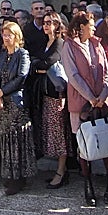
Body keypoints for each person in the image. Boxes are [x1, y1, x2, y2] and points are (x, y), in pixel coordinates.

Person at [61, 10, 108, 207]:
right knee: (84, 145)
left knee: (106, 140)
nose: (94, 27)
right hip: (81, 103)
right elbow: (72, 75)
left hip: (101, 101)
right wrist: (90, 98)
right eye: (91, 24)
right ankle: (88, 183)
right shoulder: (69, 46)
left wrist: (103, 95)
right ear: (81, 26)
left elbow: (107, 72)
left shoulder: (97, 44)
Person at [0, 20, 35, 195]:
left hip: (16, 103)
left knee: (16, 139)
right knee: (3, 137)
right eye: (4, 34)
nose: (6, 37)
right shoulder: (2, 54)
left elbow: (21, 77)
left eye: (9, 35)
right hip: (1, 103)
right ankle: (7, 174)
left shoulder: (22, 54)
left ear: (16, 37)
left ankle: (18, 178)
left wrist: (2, 92)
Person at [36, 11, 72, 189]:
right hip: (47, 93)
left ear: (57, 25)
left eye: (50, 22)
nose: (46, 25)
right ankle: (59, 169)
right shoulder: (46, 41)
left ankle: (61, 171)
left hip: (58, 95)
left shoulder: (59, 42)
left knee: (59, 135)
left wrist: (39, 66)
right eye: (44, 22)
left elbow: (48, 62)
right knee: (52, 132)